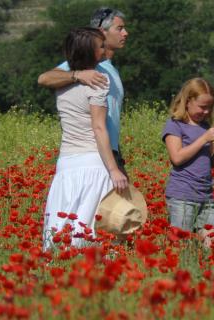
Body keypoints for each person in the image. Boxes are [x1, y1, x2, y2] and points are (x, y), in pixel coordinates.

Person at [42, 27, 127, 250]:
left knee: (63, 225)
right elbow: (98, 128)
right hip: (93, 163)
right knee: (95, 228)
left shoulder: (62, 82)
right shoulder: (98, 80)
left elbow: (45, 78)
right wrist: (113, 169)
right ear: (90, 51)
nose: (104, 48)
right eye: (100, 46)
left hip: (67, 163)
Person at [38, 7, 129, 176]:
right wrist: (77, 75)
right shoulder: (86, 66)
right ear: (102, 32)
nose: (125, 33)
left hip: (111, 154)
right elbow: (44, 78)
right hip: (94, 156)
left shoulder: (111, 70)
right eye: (119, 28)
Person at [161, 78, 214, 248]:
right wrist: (204, 139)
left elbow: (209, 164)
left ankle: (208, 274)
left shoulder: (205, 127)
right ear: (188, 101)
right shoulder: (175, 124)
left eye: (209, 107)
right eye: (202, 107)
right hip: (182, 196)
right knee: (180, 247)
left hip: (205, 197)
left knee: (213, 247)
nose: (206, 111)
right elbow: (176, 158)